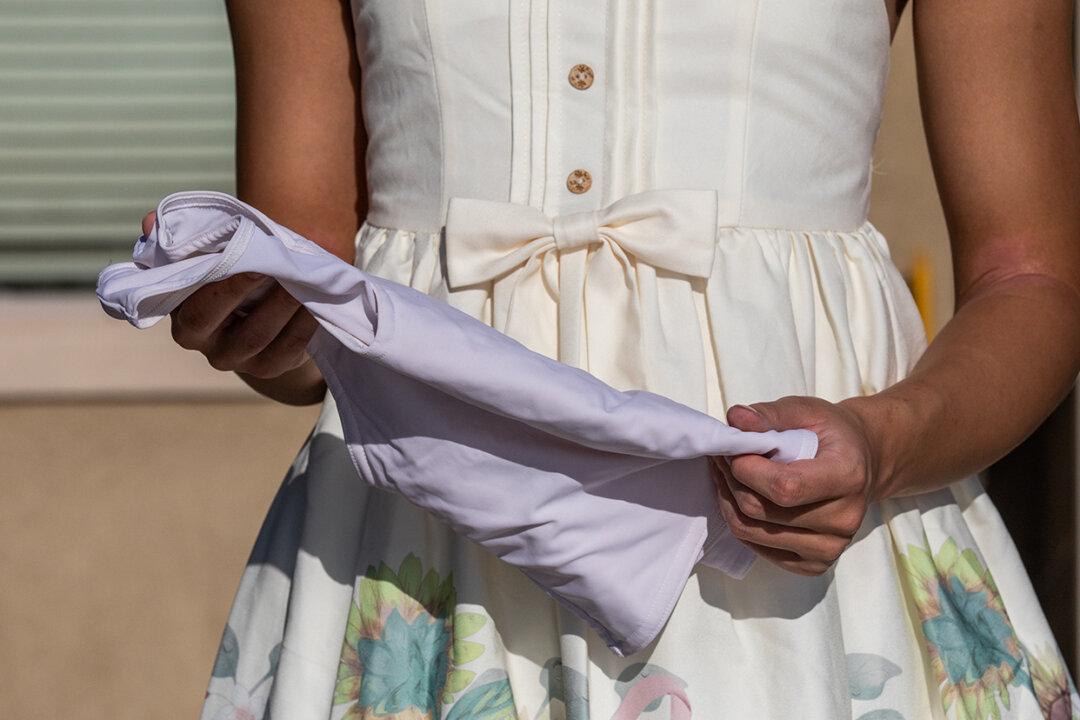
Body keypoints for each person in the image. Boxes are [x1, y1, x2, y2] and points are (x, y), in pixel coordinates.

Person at [147, 0, 1080, 718]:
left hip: (798, 552)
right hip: (414, 563)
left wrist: (886, 443)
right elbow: (307, 316)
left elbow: (1032, 279)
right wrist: (254, 313)